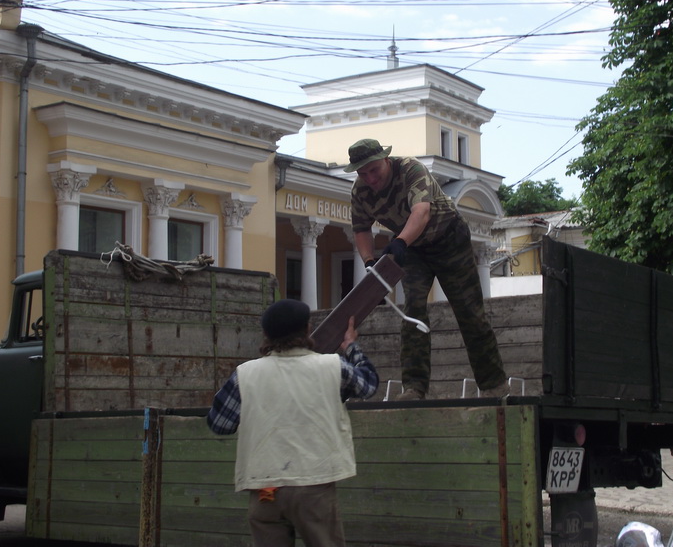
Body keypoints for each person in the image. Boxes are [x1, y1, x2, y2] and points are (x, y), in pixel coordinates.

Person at [344, 138, 508, 400]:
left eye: (374, 170)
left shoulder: (410, 170)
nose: (370, 178)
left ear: (386, 160)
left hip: (449, 239)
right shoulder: (360, 191)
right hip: (414, 251)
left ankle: (493, 385)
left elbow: (421, 212)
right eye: (363, 173)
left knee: (470, 312)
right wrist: (368, 261)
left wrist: (399, 242)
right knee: (413, 311)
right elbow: (361, 229)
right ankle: (414, 388)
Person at [206, 299, 378, 547]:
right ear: (308, 329)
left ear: (266, 335)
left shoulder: (245, 374)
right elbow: (369, 384)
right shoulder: (331, 366)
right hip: (314, 485)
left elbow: (219, 423)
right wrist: (351, 346)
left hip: (265, 489)